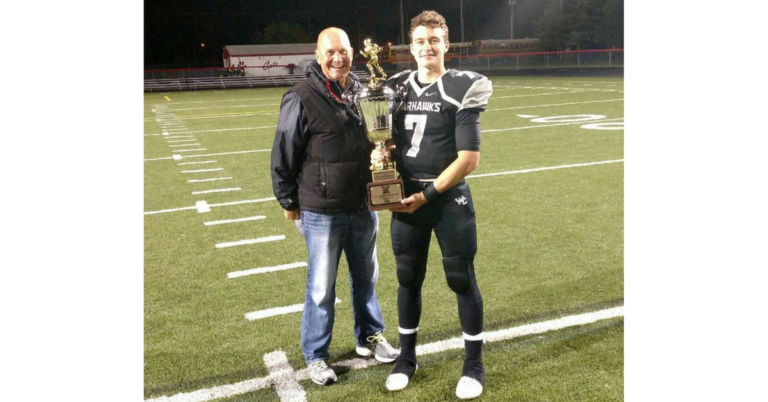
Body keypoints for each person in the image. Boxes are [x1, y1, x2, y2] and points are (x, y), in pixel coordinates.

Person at [373, 10, 493, 400]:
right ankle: (406, 358)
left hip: (444, 199)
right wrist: (379, 157)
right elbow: (381, 140)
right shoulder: (393, 87)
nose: (427, 47)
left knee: (460, 278)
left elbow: (469, 158)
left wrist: (427, 195)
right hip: (404, 198)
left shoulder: (462, 85)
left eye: (434, 40)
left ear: (446, 44)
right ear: (411, 46)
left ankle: (473, 364)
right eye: (421, 40)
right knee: (408, 279)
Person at [270, 27, 399, 386]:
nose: (337, 58)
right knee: (321, 287)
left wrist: (383, 153)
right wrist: (288, 203)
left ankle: (369, 337)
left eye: (343, 51)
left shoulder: (363, 91)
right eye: (330, 52)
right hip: (321, 210)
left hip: (362, 206)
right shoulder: (301, 96)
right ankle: (316, 355)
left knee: (366, 279)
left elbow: (378, 140)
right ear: (317, 54)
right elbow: (283, 152)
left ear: (352, 53)